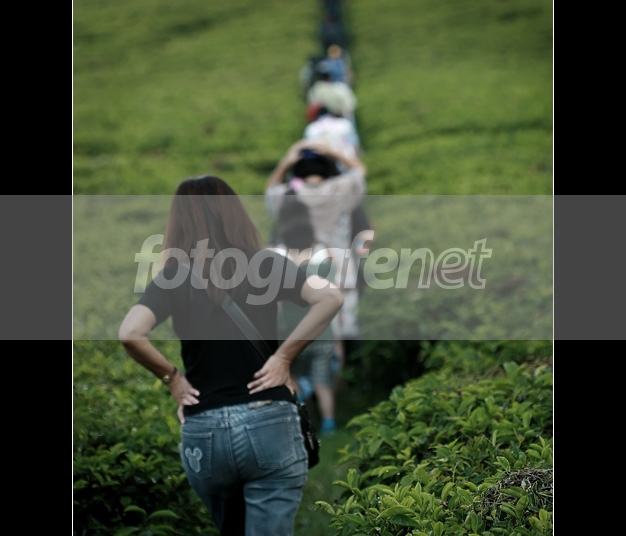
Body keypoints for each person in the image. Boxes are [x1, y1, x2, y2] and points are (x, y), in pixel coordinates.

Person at [118, 175, 344, 536]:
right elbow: (330, 297)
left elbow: (130, 333)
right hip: (268, 418)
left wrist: (173, 380)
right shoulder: (265, 263)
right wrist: (283, 358)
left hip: (204, 427)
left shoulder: (172, 277)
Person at [265, 139, 367, 377]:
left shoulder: (289, 194)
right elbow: (359, 171)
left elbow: (270, 190)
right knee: (341, 329)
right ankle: (342, 381)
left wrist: (286, 160)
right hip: (339, 267)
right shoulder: (341, 189)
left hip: (298, 265)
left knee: (301, 325)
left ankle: (302, 384)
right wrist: (333, 152)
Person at [274, 197, 339, 435]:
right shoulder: (325, 260)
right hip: (323, 334)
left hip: (292, 333)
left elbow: (276, 304)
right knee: (323, 383)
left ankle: (302, 419)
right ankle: (330, 425)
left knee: (292, 376)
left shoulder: (281, 262)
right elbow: (335, 292)